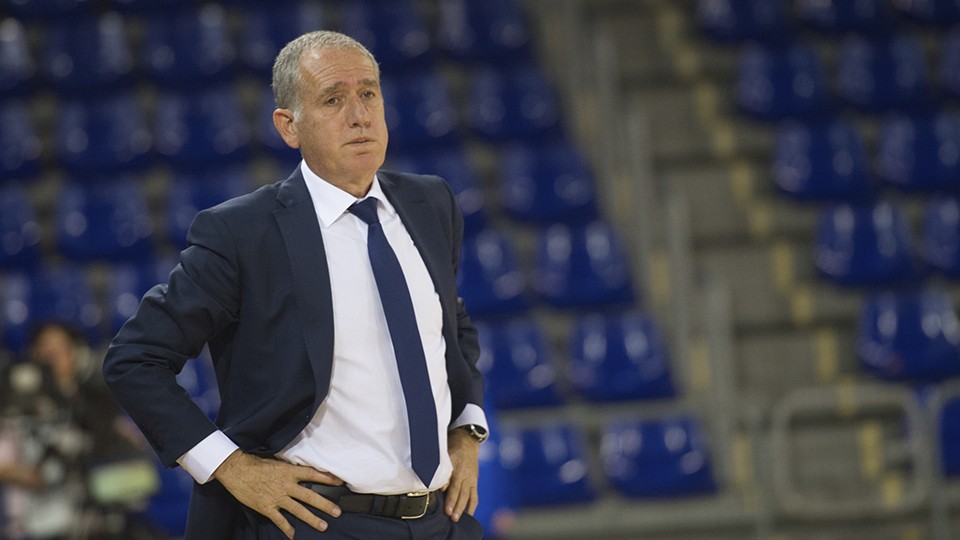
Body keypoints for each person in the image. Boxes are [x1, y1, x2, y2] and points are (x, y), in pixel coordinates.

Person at [103, 30, 488, 540]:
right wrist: (231, 467)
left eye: (368, 93)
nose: (359, 115)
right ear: (289, 126)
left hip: (443, 519)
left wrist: (467, 426)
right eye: (333, 99)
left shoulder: (431, 202)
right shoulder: (243, 232)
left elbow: (447, 318)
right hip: (318, 522)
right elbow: (134, 359)